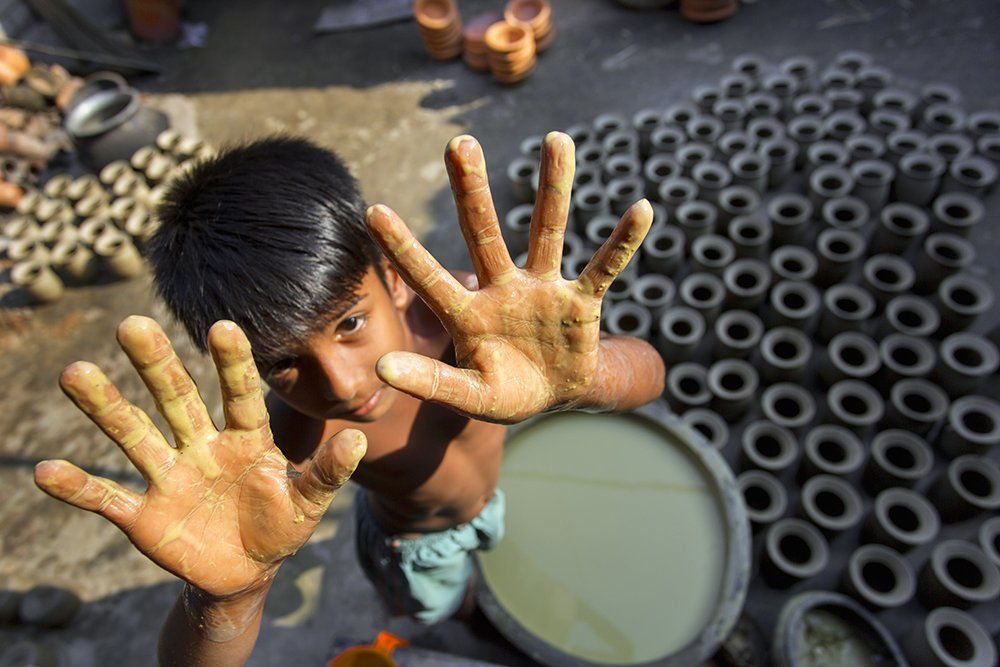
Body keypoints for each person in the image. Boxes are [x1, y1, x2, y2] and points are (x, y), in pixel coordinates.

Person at [34, 132, 665, 665]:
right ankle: (462, 614)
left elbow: (650, 375)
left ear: (390, 276)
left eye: (350, 324)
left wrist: (590, 377)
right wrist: (231, 595)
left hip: (505, 489)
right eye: (282, 362)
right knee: (441, 605)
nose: (339, 384)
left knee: (518, 561)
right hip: (419, 544)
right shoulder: (288, 443)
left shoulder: (478, 327)